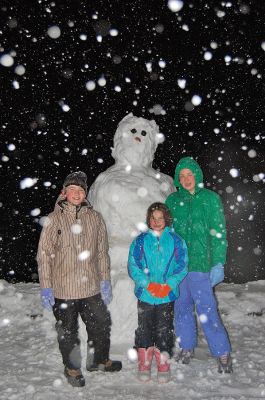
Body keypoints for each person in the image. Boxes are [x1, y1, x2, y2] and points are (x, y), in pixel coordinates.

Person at [37, 171, 122, 388]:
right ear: (64, 193)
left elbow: (102, 252)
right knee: (68, 332)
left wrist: (105, 280)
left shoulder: (95, 218)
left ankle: (98, 361)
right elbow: (44, 256)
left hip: (91, 286)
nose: (76, 193)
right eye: (72, 189)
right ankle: (72, 367)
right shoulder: (54, 219)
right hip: (63, 289)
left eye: (81, 190)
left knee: (101, 324)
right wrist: (46, 286)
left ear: (85, 194)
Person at [165, 157, 232, 373]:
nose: (186, 179)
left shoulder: (210, 199)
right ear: (178, 178)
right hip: (179, 267)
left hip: (202, 266)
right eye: (182, 175)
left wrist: (218, 262)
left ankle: (222, 352)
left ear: (197, 175)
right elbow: (167, 235)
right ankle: (186, 347)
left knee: (207, 310)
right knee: (181, 309)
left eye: (189, 174)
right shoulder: (173, 201)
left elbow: (219, 233)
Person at [128, 202, 188, 383]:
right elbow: (133, 265)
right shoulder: (140, 240)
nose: (156, 221)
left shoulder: (177, 240)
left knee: (164, 330)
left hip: (166, 295)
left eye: (160, 218)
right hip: (146, 294)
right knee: (144, 329)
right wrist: (147, 284)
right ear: (148, 220)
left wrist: (168, 285)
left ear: (166, 219)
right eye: (153, 218)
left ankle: (163, 364)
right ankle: (144, 364)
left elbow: (182, 265)